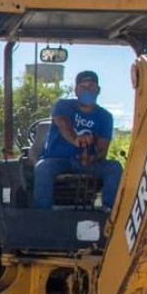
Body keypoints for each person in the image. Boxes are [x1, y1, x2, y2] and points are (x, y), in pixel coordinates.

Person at [33, 70, 122, 209]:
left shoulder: (105, 117)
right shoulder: (63, 105)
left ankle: (109, 213)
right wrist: (76, 140)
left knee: (114, 167)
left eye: (91, 86)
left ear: (98, 90)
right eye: (83, 86)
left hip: (86, 163)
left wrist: (93, 157)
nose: (87, 90)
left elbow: (103, 149)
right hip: (58, 160)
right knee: (43, 167)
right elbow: (63, 123)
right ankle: (42, 214)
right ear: (76, 90)